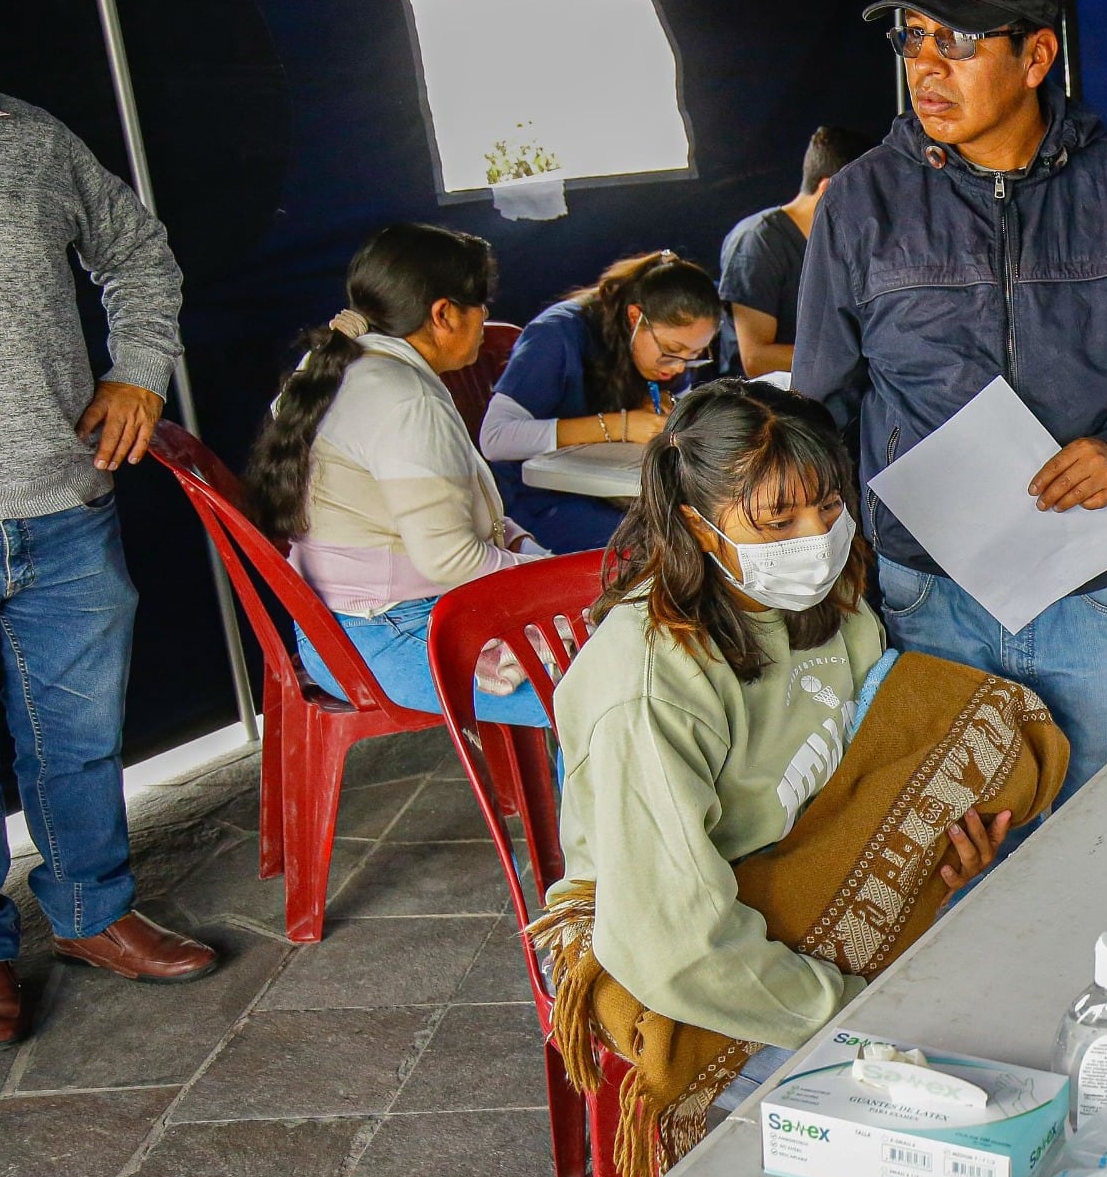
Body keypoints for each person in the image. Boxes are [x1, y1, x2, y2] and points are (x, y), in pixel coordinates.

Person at [534, 381, 1068, 1177]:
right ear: (696, 527)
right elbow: (674, 941)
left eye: (826, 507)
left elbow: (870, 757)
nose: (815, 537)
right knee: (944, 1107)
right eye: (776, 522)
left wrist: (938, 859)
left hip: (789, 860)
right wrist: (853, 1010)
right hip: (665, 924)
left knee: (1011, 999)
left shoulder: (833, 603)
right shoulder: (648, 686)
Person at [796, 0, 1107, 805]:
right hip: (923, 599)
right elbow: (821, 406)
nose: (926, 65)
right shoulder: (860, 205)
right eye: (912, 38)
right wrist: (833, 579)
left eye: (956, 40)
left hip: (1094, 591)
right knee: (940, 862)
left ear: (1037, 54)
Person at [0, 93, 217, 1036]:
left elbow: (136, 253)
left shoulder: (26, 139)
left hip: (58, 502)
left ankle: (91, 913)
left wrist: (138, 371)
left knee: (75, 735)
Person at [244, 223, 551, 727]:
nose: (486, 316)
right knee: (607, 692)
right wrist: (548, 576)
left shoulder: (339, 366)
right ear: (444, 314)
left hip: (335, 633)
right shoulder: (404, 397)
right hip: (391, 637)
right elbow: (451, 560)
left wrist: (530, 555)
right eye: (480, 303)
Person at [478, 251, 721, 553]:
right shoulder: (557, 335)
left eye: (694, 356)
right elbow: (495, 439)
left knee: (708, 529)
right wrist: (620, 425)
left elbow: (679, 409)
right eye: (673, 350)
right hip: (537, 499)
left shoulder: (667, 357)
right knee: (659, 548)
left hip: (612, 491)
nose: (678, 368)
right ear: (635, 317)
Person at [717, 124, 874, 380]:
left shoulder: (848, 245)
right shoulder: (758, 241)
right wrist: (857, 358)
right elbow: (755, 358)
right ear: (828, 189)